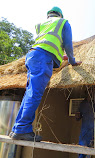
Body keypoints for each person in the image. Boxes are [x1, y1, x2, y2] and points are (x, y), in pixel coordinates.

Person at [9, 6, 82, 142]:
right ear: (60, 15)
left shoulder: (42, 25)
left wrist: (62, 58)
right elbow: (67, 45)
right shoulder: (63, 23)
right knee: (35, 94)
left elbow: (48, 46)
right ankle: (22, 129)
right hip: (43, 58)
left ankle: (17, 129)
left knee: (29, 94)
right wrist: (72, 61)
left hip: (32, 56)